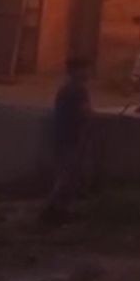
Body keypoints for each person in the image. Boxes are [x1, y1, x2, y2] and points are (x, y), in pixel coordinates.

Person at [41, 56, 93, 224]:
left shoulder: (65, 89)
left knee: (67, 175)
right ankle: (50, 209)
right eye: (84, 69)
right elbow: (84, 113)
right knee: (67, 176)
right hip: (71, 137)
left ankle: (60, 210)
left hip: (62, 136)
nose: (87, 72)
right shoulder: (78, 90)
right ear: (75, 71)